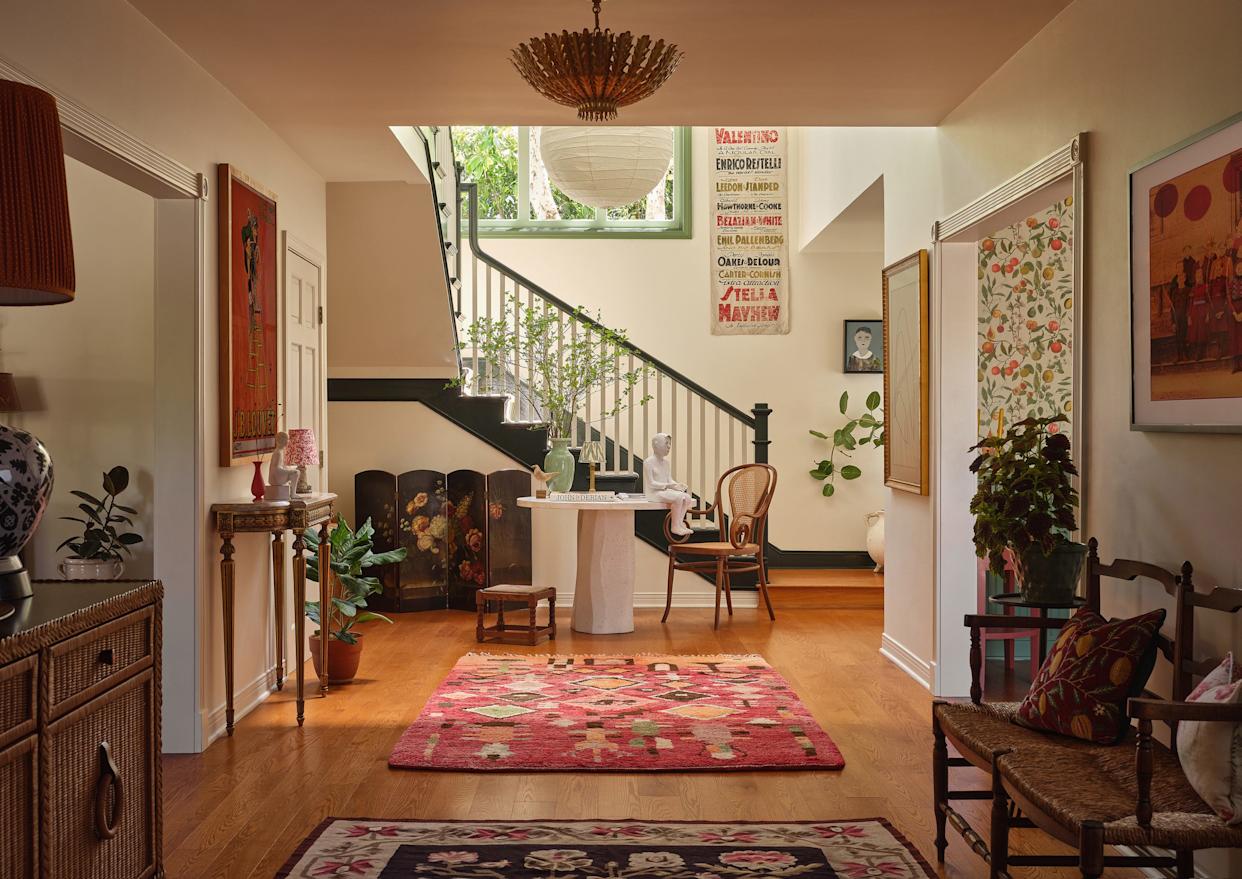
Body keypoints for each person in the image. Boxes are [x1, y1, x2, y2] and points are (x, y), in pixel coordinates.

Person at [643, 433, 693, 537]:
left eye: (669, 444)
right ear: (656, 445)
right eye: (666, 443)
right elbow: (651, 484)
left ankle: (680, 523)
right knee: (678, 498)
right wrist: (669, 485)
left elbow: (669, 479)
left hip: (664, 490)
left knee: (687, 498)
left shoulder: (666, 463)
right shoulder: (648, 462)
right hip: (654, 493)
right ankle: (674, 526)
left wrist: (677, 485)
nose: (669, 447)